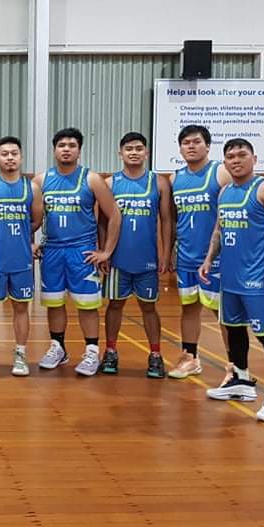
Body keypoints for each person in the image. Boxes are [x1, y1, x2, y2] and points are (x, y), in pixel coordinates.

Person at [200, 138, 264, 422]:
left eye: (242, 155)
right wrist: (208, 259)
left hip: (258, 279)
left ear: (254, 158)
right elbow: (219, 230)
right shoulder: (225, 191)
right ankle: (240, 379)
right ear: (224, 162)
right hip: (230, 278)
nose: (236, 160)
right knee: (233, 328)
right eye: (230, 156)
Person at [33, 127, 121, 377]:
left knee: (87, 305)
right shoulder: (40, 181)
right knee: (54, 303)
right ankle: (58, 347)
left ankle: (92, 351)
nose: (67, 149)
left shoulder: (91, 179)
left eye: (72, 145)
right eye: (62, 145)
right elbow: (27, 214)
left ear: (79, 150)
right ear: (54, 150)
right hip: (52, 251)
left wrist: (106, 251)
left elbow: (114, 214)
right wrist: (32, 241)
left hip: (82, 252)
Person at [100, 132, 172, 378]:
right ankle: (110, 351)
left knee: (148, 307)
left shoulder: (159, 182)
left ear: (147, 153)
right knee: (115, 305)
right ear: (120, 153)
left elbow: (166, 220)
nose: (133, 152)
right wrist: (104, 253)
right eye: (128, 148)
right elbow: (103, 221)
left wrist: (166, 252)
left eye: (139, 148)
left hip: (147, 258)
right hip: (118, 258)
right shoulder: (110, 183)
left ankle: (155, 354)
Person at [0, 136, 42, 377]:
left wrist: (21, 239)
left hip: (22, 261)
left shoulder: (31, 188)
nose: (10, 157)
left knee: (21, 309)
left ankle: (21, 354)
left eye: (14, 153)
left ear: (21, 157)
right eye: (5, 154)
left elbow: (36, 220)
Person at [167, 125, 231, 379]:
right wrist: (171, 250)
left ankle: (235, 365)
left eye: (196, 142)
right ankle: (190, 358)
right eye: (186, 143)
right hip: (186, 256)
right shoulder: (174, 179)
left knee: (222, 311)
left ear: (207, 146)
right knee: (189, 307)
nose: (191, 146)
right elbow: (172, 220)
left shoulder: (221, 173)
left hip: (217, 257)